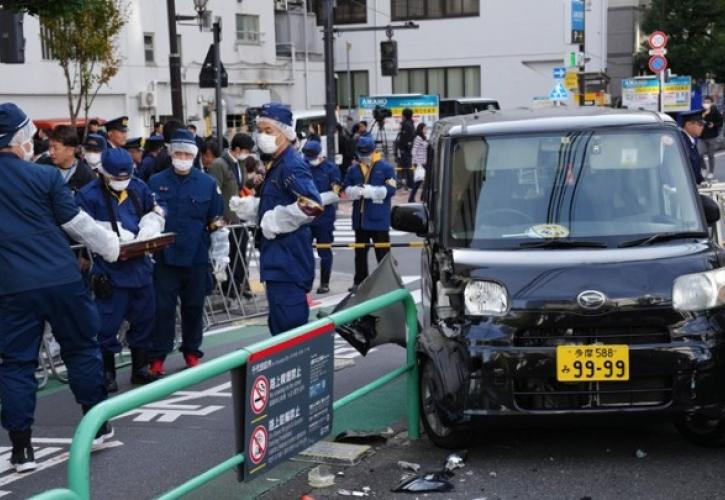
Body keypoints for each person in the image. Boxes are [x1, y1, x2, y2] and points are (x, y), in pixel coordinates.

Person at [0, 103, 119, 472]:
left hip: (11, 285)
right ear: (19, 138)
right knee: (82, 349)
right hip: (61, 278)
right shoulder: (45, 176)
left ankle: (21, 449)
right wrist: (111, 247)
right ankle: (96, 426)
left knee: (16, 364)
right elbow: (76, 223)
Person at [229, 102, 323, 336]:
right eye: (260, 130)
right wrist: (254, 208)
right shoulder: (277, 164)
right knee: (280, 330)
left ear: (285, 133)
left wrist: (277, 220)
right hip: (278, 261)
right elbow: (278, 202)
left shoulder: (291, 165)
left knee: (289, 335)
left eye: (268, 131)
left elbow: (312, 205)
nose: (262, 136)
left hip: (288, 262)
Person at [76, 148, 164, 392]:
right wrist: (110, 235)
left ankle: (140, 367)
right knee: (106, 324)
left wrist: (151, 224)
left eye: (124, 177)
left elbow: (155, 210)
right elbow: (84, 227)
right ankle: (107, 372)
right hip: (110, 271)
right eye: (116, 178)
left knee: (145, 318)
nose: (121, 182)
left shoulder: (138, 187)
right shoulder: (89, 194)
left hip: (140, 268)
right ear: (103, 172)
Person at [147, 129, 227, 375]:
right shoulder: (155, 182)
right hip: (164, 259)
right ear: (171, 153)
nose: (181, 157)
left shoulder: (207, 184)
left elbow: (217, 222)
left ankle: (192, 350)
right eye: (177, 153)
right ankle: (158, 356)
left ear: (194, 156)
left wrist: (221, 257)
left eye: (186, 153)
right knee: (162, 309)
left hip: (196, 257)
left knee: (193, 306)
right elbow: (147, 218)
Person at [344, 135, 397, 289]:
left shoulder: (386, 168)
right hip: (360, 219)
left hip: (379, 218)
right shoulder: (353, 169)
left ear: (374, 151)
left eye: (367, 154)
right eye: (362, 154)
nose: (364, 157)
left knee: (383, 254)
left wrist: (374, 191)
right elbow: (345, 187)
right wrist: (355, 191)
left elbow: (392, 189)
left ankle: (388, 282)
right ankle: (359, 282)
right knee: (360, 254)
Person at [209, 133, 255, 296]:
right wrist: (220, 216)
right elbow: (215, 191)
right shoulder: (219, 164)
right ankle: (229, 289)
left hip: (239, 216)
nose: (247, 154)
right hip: (226, 218)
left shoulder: (240, 163)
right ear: (236, 149)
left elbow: (239, 184)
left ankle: (240, 285)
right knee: (229, 253)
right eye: (246, 150)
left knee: (240, 253)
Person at [302, 140, 342, 294]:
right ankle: (306, 282)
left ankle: (324, 283)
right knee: (305, 251)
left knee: (324, 250)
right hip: (305, 217)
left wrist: (320, 199)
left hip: (324, 218)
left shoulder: (331, 169)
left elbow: (336, 191)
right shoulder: (303, 166)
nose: (310, 160)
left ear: (320, 155)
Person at [45, 125, 95, 193]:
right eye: (50, 147)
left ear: (70, 150)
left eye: (55, 148)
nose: (51, 152)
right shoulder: (43, 166)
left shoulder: (86, 175)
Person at [680, 110, 705, 185]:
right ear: (688, 124)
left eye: (703, 124)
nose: (702, 127)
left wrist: (702, 181)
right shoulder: (682, 141)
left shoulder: (690, 140)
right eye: (700, 124)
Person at [701, 96, 723, 179]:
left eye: (708, 102)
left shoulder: (715, 112)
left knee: (710, 155)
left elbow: (720, 122)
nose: (706, 103)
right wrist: (702, 117)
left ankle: (711, 172)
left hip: (712, 136)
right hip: (701, 135)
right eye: (705, 102)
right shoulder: (701, 111)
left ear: (712, 103)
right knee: (699, 153)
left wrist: (713, 124)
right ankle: (703, 168)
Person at [409, 122, 429, 202]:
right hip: (420, 162)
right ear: (421, 129)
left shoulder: (423, 137)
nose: (426, 130)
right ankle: (412, 198)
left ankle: (422, 197)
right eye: (425, 129)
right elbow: (414, 151)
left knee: (424, 180)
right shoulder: (418, 138)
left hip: (424, 161)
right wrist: (417, 163)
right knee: (419, 181)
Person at [397, 108, 416, 189]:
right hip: (408, 149)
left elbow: (404, 139)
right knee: (406, 167)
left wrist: (402, 148)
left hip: (405, 150)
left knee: (405, 167)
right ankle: (406, 183)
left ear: (404, 115)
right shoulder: (411, 124)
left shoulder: (406, 125)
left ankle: (407, 184)